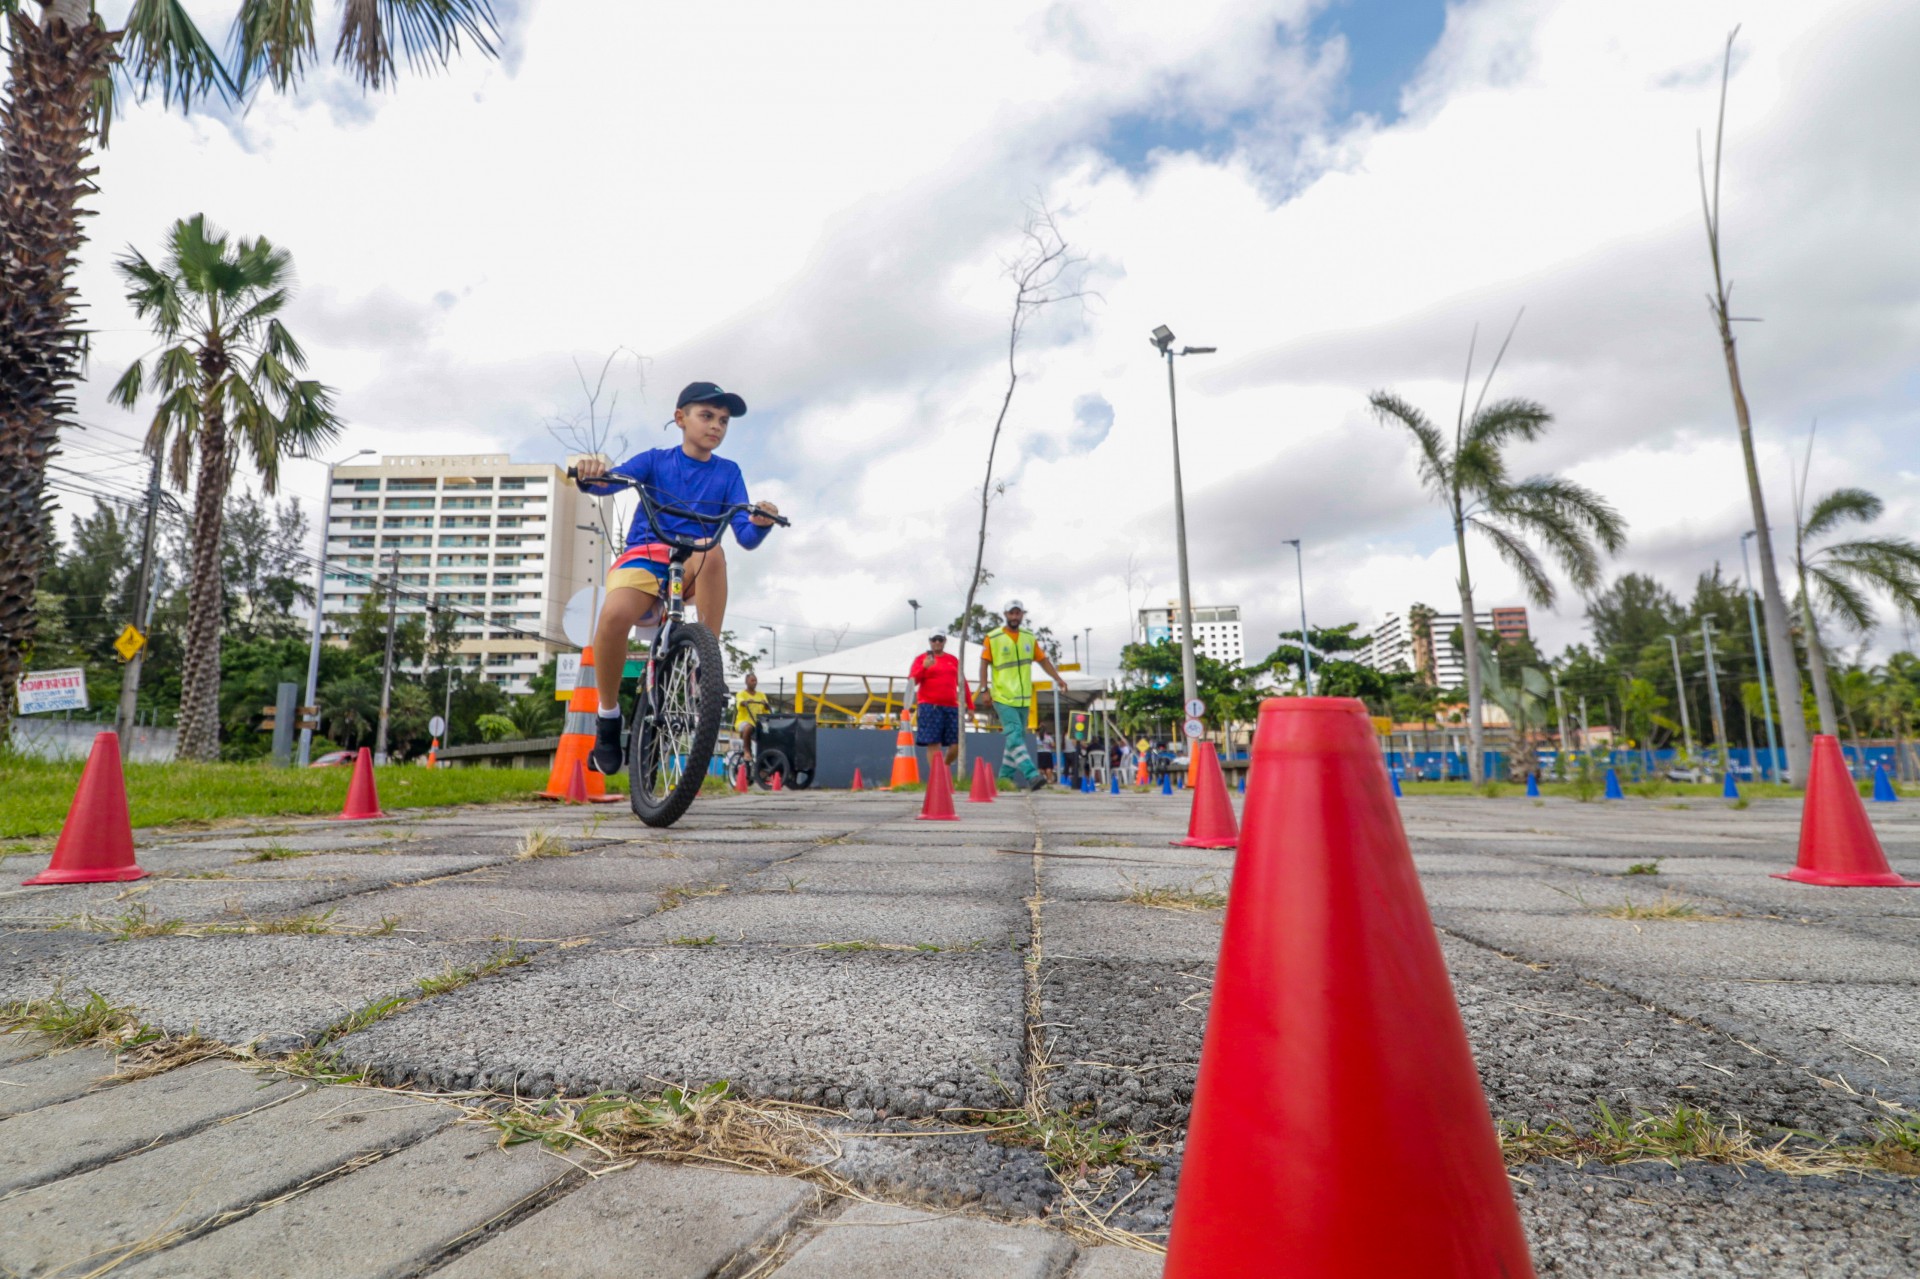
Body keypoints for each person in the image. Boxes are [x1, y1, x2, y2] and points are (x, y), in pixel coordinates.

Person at [574, 381, 781, 774]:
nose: (717, 426)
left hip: (692, 563)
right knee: (613, 618)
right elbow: (605, 484)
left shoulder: (728, 473)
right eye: (707, 416)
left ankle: (707, 664)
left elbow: (747, 536)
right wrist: (590, 473)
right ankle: (608, 716)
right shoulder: (655, 460)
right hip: (646, 555)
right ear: (680, 418)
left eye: (723, 420)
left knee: (713, 548)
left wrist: (761, 521)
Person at [976, 599, 1065, 792]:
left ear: (1022, 615)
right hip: (1003, 696)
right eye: (1011, 613)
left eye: (1018, 613)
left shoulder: (1029, 638)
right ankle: (1032, 775)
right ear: (1005, 615)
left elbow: (1043, 660)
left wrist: (1058, 678)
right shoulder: (993, 637)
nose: (1015, 617)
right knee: (1015, 734)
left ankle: (1004, 779)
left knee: (1015, 739)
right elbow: (983, 664)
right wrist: (985, 689)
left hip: (1024, 698)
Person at [908, 632, 969, 770]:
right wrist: (924, 667)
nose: (937, 642)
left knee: (956, 744)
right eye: (934, 639)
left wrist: (970, 706)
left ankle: (944, 767)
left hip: (952, 707)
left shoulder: (953, 659)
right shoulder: (921, 659)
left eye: (940, 639)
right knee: (933, 743)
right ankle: (937, 775)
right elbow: (912, 682)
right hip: (929, 706)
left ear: (944, 641)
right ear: (930, 641)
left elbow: (962, 682)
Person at [734, 671, 771, 762]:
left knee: (769, 732)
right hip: (743, 721)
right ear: (746, 682)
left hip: (758, 722)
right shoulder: (741, 694)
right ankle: (747, 751)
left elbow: (767, 709)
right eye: (752, 680)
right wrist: (745, 702)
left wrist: (765, 704)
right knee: (748, 727)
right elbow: (740, 701)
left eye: (755, 681)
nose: (754, 682)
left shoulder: (761, 695)